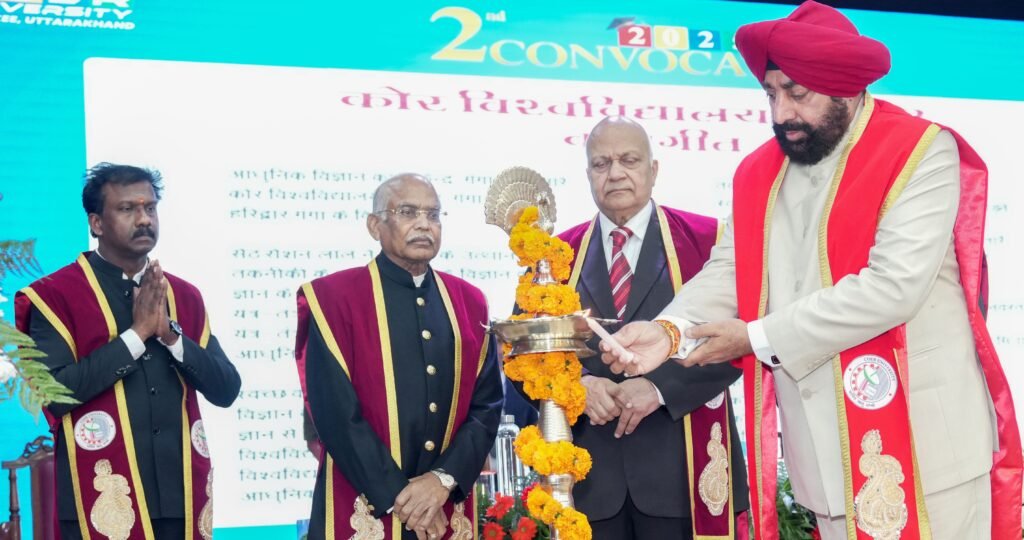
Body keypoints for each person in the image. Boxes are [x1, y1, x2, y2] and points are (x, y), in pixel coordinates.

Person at [599, 3, 1023, 539]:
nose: (782, 114)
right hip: (824, 459)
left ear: (845, 88)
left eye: (797, 94)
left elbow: (892, 288)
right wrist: (669, 330)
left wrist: (754, 338)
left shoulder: (919, 151)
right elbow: (731, 269)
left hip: (929, 451)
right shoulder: (759, 172)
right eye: (771, 94)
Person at [538, 116, 750, 538]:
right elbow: (525, 360)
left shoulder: (709, 240)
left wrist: (658, 389)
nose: (615, 173)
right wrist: (578, 386)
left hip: (682, 470)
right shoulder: (555, 257)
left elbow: (738, 336)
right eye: (601, 164)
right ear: (588, 175)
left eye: (629, 160)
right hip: (589, 481)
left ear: (654, 170)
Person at [15, 163, 242, 540]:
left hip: (180, 497)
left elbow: (226, 389)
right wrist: (137, 334)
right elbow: (54, 396)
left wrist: (170, 336)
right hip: (102, 498)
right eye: (127, 209)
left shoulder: (183, 295)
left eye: (150, 208)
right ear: (96, 224)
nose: (144, 219)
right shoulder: (54, 297)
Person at [295, 173, 503, 540]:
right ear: (374, 225)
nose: (424, 224)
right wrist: (405, 499)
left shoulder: (469, 302)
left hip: (445, 501)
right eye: (408, 212)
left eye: (433, 215)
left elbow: (486, 406)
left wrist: (442, 481)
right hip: (364, 502)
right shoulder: (333, 299)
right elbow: (335, 414)